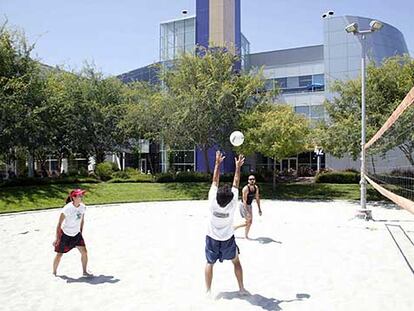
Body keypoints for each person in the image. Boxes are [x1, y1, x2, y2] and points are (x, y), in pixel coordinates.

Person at [204, 150, 248, 296]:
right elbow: (236, 182)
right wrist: (238, 167)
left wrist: (217, 163)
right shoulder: (232, 203)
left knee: (209, 263)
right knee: (236, 262)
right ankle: (241, 289)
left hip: (212, 238)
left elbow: (215, 180)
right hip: (227, 239)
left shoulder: (212, 201)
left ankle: (208, 291)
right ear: (229, 198)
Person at [52, 188, 92, 277]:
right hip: (66, 234)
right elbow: (59, 224)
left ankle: (84, 271)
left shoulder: (83, 207)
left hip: (77, 234)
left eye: (82, 195)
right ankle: (54, 272)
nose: (81, 197)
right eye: (79, 195)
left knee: (84, 252)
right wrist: (57, 238)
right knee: (59, 254)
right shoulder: (67, 209)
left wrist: (80, 232)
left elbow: (82, 220)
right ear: (73, 197)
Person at [234, 175, 262, 239]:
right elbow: (244, 200)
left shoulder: (256, 188)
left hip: (249, 205)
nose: (252, 180)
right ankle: (236, 229)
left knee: (250, 222)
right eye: (250, 179)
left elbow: (257, 198)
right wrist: (247, 211)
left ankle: (243, 233)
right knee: (248, 221)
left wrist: (259, 209)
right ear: (248, 180)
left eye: (253, 179)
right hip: (243, 205)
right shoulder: (245, 189)